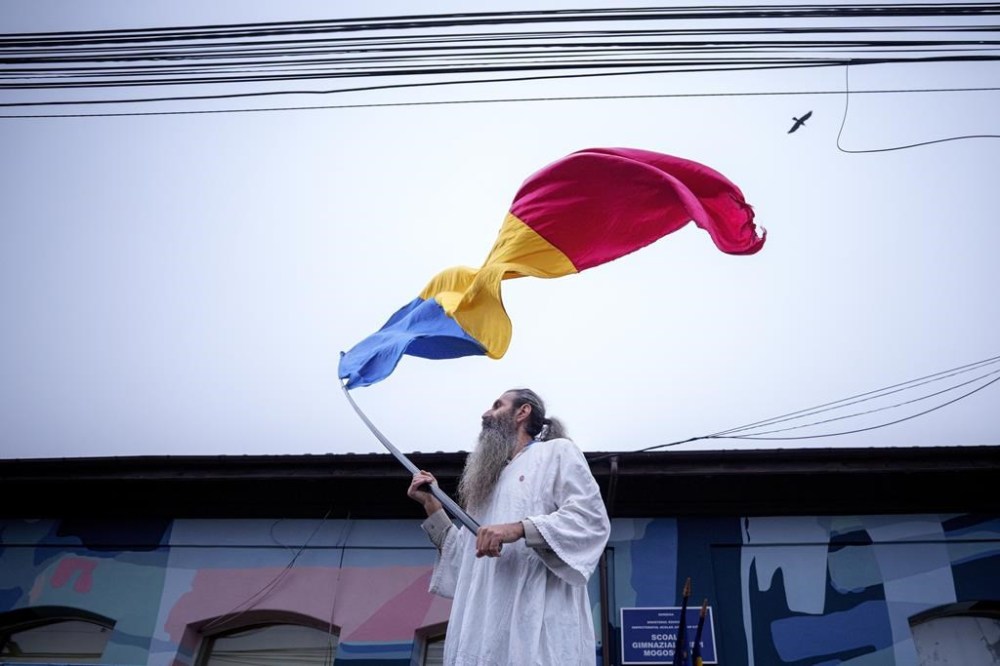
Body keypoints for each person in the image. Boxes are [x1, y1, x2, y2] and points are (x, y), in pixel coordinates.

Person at [407, 388, 611, 665]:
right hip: (482, 636)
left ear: (522, 412)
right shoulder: (487, 484)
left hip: (537, 630)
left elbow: (589, 519)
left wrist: (518, 529)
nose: (485, 414)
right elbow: (464, 563)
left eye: (497, 405)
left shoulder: (556, 452)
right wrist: (432, 505)